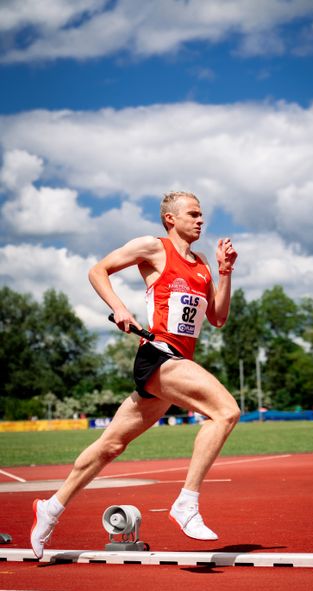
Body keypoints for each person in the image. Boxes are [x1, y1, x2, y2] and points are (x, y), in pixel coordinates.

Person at [31, 191, 239, 558]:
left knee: (110, 446)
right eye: (193, 214)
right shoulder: (153, 247)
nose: (201, 220)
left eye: (202, 214)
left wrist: (225, 273)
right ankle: (186, 503)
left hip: (176, 362)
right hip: (158, 356)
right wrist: (120, 308)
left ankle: (51, 507)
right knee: (225, 411)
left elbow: (218, 318)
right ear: (170, 219)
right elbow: (98, 271)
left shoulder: (203, 263)